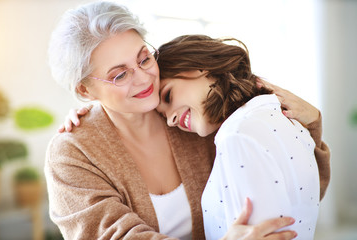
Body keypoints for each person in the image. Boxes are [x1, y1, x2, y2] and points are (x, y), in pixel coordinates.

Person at [46, 1, 330, 240]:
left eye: (144, 58)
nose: (144, 78)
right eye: (120, 75)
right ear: (84, 90)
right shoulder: (72, 155)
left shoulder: (197, 116)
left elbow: (292, 189)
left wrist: (312, 121)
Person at [154, 34, 326, 239]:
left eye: (168, 96)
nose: (171, 120)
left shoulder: (236, 136)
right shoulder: (287, 120)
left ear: (199, 67)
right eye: (163, 115)